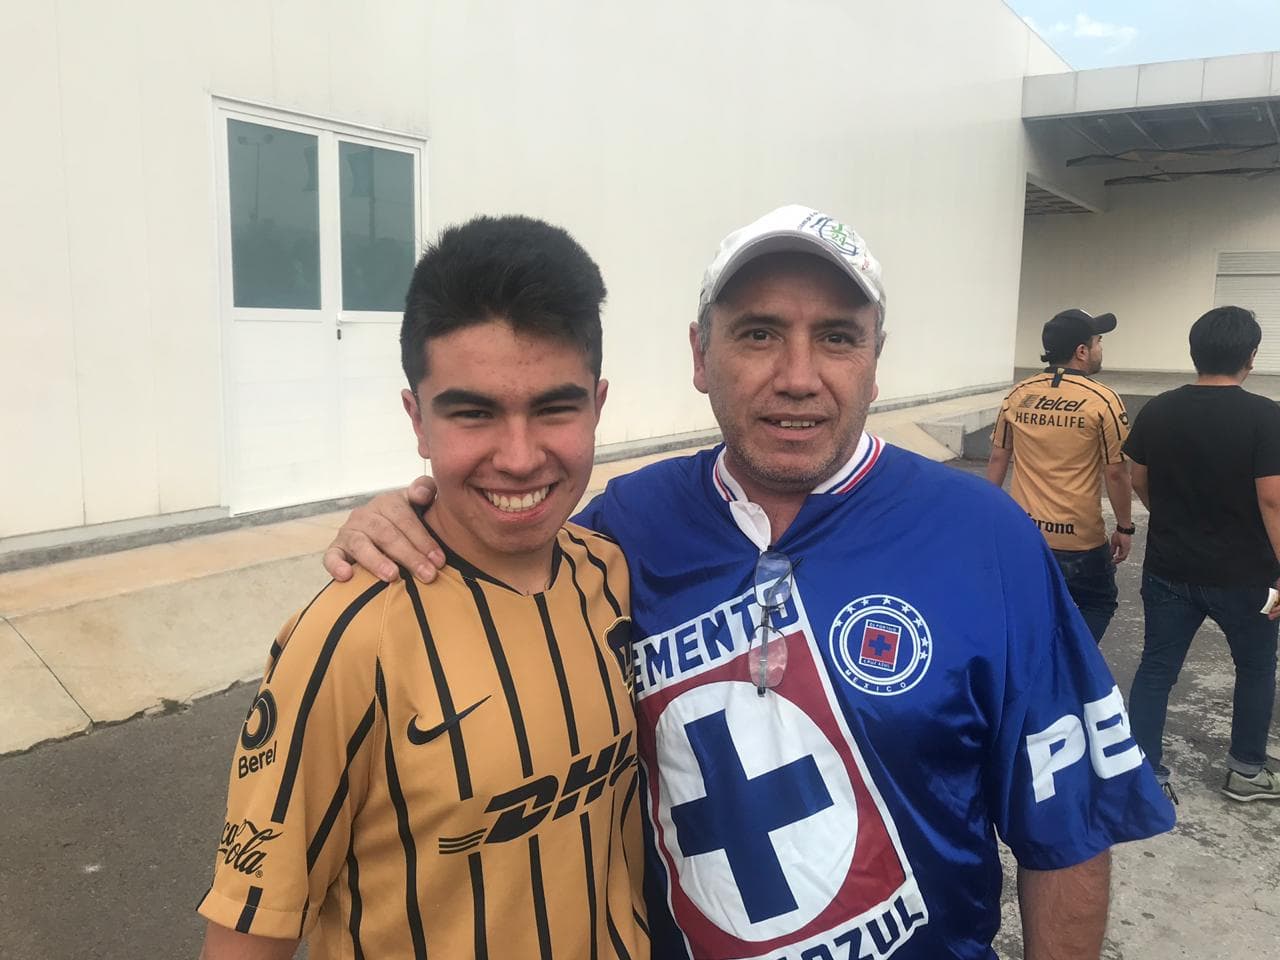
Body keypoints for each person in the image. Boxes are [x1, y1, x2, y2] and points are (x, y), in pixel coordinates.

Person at [325, 205, 1175, 959]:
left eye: (837, 337)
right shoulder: (620, 532)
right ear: (701, 355)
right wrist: (408, 516)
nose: (798, 376)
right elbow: (497, 551)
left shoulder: (986, 539)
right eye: (758, 334)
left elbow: (1066, 829)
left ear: (876, 360)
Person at [197, 216, 648, 959]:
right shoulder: (346, 640)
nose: (518, 456)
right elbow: (249, 938)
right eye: (474, 412)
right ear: (417, 419)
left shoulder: (613, 574)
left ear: (597, 405)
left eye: (553, 408)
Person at [1124, 305, 1280, 804]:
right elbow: (1272, 500)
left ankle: (1144, 774)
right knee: (1256, 668)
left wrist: (1173, 518)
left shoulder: (1159, 409)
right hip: (1247, 575)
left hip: (1169, 568)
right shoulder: (1266, 416)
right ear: (1251, 356)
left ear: (1194, 351)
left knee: (1156, 668)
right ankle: (1246, 771)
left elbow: (1138, 478)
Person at [985, 309, 1134, 644]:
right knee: (1098, 602)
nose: (1100, 349)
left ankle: (1039, 663)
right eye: (1098, 342)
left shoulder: (1018, 394)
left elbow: (997, 458)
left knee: (1029, 611)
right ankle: (1072, 662)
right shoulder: (1104, 400)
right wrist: (1125, 527)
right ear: (1081, 351)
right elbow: (1116, 473)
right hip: (1081, 542)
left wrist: (984, 519)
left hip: (1025, 535)